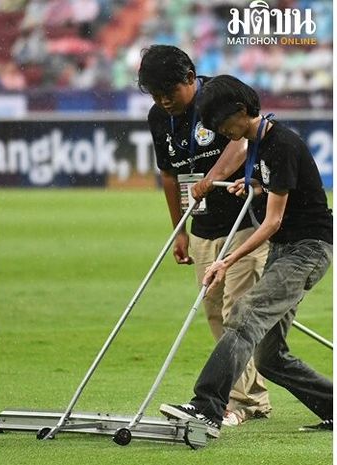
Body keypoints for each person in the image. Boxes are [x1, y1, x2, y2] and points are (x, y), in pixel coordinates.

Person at [160, 74, 333, 436]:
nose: (222, 132)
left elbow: (271, 223)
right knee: (269, 358)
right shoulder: (261, 143)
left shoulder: (282, 143)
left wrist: (227, 259)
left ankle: (207, 405)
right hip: (289, 249)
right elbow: (274, 184)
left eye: (223, 124)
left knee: (244, 313)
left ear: (241, 110)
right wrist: (254, 184)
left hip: (307, 249)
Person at [137, 45, 272, 427]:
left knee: (238, 313)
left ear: (190, 78)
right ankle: (254, 396)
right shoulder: (158, 117)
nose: (163, 100)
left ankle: (242, 401)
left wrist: (212, 179)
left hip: (246, 222)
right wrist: (178, 228)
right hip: (202, 226)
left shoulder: (220, 97)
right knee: (214, 311)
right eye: (155, 94)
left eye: (169, 91)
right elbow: (169, 174)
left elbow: (243, 140)